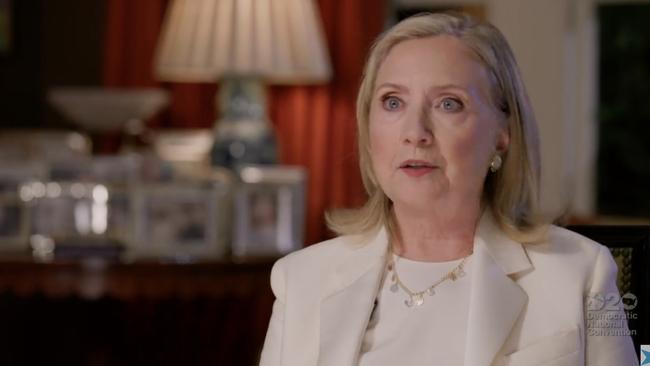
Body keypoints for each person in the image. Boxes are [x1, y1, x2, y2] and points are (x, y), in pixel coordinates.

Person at [259, 12, 638, 366]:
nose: (415, 133)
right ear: (368, 126)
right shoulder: (301, 280)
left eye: (448, 103)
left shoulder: (579, 272)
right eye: (393, 102)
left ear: (502, 133)